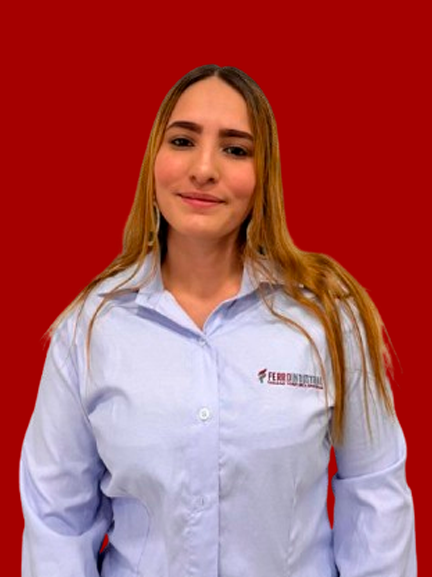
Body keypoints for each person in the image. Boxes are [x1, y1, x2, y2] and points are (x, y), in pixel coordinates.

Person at [19, 64, 417, 577]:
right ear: (154, 159)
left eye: (235, 149)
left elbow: (375, 495)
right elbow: (57, 523)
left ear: (263, 174)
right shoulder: (90, 329)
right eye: (183, 141)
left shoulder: (328, 316)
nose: (204, 168)